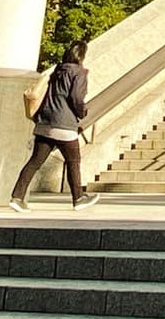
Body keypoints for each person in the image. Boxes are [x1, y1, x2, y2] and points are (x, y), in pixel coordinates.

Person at [10, 40, 100, 211]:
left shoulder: (57, 70)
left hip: (45, 121)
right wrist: (82, 112)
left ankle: (17, 196)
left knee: (35, 161)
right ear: (81, 56)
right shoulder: (79, 73)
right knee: (73, 161)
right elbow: (76, 98)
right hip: (64, 125)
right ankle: (78, 198)